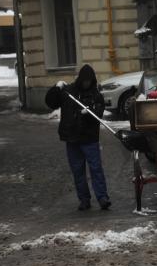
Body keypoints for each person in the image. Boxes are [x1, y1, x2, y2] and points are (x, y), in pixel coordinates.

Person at [45, 64, 111, 211]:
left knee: (96, 169)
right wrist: (56, 88)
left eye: (89, 81)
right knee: (78, 171)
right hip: (72, 139)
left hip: (90, 139)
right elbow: (51, 102)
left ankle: (102, 197)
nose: (86, 83)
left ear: (92, 80)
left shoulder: (96, 95)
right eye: (84, 80)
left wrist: (90, 112)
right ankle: (84, 199)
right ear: (80, 79)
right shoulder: (68, 92)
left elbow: (99, 112)